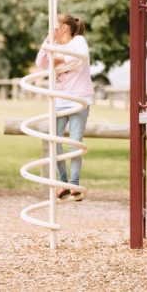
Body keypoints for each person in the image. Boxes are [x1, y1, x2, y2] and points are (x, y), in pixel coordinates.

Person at [35, 13, 93, 202]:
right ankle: (63, 183)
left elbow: (81, 57)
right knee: (55, 140)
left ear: (64, 28)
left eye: (54, 26)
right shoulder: (55, 47)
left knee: (74, 142)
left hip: (79, 98)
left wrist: (61, 61)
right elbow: (40, 63)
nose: (51, 29)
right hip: (60, 99)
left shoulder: (78, 41)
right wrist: (47, 40)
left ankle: (74, 185)